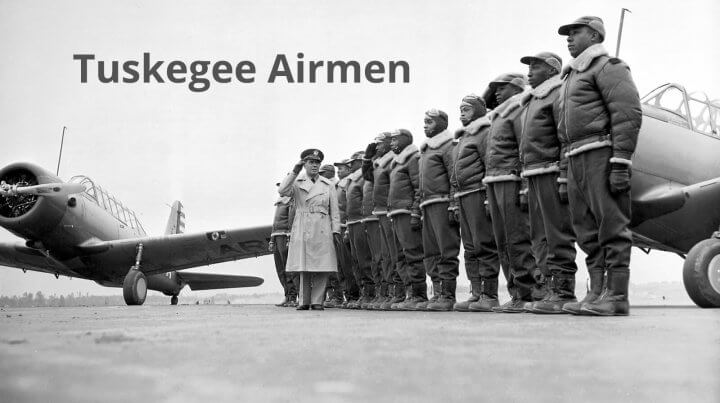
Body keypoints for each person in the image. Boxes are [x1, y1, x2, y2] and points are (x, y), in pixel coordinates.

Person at [557, 16, 642, 316]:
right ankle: (596, 292)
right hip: (575, 159)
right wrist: (564, 174)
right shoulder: (570, 79)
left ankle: (617, 296)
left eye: (575, 32)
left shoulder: (609, 67)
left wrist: (620, 163)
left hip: (600, 155)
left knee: (612, 224)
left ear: (594, 36)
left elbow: (627, 114)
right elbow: (563, 132)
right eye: (567, 34)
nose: (569, 38)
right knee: (586, 230)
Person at [518, 52, 579, 314]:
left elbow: (565, 137)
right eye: (529, 67)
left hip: (551, 171)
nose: (529, 71)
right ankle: (547, 289)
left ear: (552, 70)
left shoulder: (557, 94)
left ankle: (563, 291)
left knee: (558, 233)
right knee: (539, 236)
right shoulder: (532, 100)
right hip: (533, 173)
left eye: (536, 66)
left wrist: (564, 175)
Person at [482, 73, 538, 313]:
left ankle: (528, 293)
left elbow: (525, 148)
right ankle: (515, 293)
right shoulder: (498, 116)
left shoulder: (518, 110)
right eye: (494, 88)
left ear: (516, 88)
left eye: (501, 87)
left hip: (511, 179)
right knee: (503, 241)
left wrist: (524, 185)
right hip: (495, 180)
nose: (496, 92)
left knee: (517, 238)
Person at [451, 94, 501, 312]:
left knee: (484, 244)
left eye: (467, 109)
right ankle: (476, 292)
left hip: (477, 193)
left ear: (479, 110)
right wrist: (454, 201)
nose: (462, 113)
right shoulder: (463, 138)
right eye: (460, 109)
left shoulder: (484, 132)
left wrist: (489, 198)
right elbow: (455, 175)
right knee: (470, 247)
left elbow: (489, 164)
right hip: (463, 196)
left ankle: (490, 295)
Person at [278, 149, 341, 310]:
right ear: (304, 164)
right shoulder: (297, 182)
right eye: (311, 162)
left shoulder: (328, 184)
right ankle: (304, 301)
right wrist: (294, 171)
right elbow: (282, 190)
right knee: (303, 265)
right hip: (303, 224)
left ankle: (317, 301)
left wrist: (336, 230)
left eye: (317, 162)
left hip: (322, 226)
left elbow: (335, 210)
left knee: (323, 265)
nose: (314, 165)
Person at [419, 109, 461, 311]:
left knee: (446, 250)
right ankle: (437, 293)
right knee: (431, 252)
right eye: (424, 121)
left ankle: (447, 295)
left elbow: (454, 176)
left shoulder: (447, 146)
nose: (425, 125)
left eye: (430, 121)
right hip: (427, 204)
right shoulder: (426, 150)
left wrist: (453, 203)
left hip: (442, 203)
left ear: (442, 123)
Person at [387, 129, 428, 310]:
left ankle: (419, 295)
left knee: (413, 254)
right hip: (396, 213)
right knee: (400, 256)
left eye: (395, 140)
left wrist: (415, 212)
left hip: (406, 212)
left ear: (405, 140)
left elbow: (418, 187)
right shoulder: (397, 162)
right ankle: (410, 293)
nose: (392, 143)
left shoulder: (413, 159)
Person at [362, 133, 397, 310]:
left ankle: (395, 292)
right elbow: (368, 176)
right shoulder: (379, 162)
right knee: (384, 255)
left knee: (392, 253)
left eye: (380, 143)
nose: (377, 147)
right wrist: (367, 159)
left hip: (389, 210)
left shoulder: (393, 160)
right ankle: (387, 292)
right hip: (381, 211)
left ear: (389, 143)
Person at [344, 151, 375, 309]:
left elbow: (367, 199)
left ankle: (370, 293)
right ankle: (364, 293)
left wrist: (364, 219)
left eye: (353, 162)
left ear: (361, 162)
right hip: (352, 222)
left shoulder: (363, 177)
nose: (350, 165)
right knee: (356, 261)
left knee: (365, 260)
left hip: (361, 221)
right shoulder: (352, 179)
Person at [333, 157, 361, 308]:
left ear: (349, 169)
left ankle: (354, 296)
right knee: (342, 266)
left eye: (341, 168)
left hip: (345, 226)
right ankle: (348, 295)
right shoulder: (338, 185)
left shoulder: (347, 184)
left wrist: (347, 228)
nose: (338, 171)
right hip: (338, 227)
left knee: (349, 265)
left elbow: (350, 206)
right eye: (338, 169)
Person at [319, 164, 343, 307]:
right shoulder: (324, 187)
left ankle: (338, 296)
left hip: (334, 229)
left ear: (329, 173)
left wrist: (336, 230)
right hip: (324, 229)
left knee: (336, 264)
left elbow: (337, 211)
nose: (320, 175)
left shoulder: (335, 186)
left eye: (322, 173)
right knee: (326, 264)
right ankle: (331, 295)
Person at [269, 188, 299, 307]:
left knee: (288, 268)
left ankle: (293, 296)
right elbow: (274, 224)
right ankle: (287, 295)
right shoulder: (279, 202)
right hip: (277, 236)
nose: (279, 189)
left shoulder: (291, 201)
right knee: (280, 269)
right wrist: (272, 240)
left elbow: (291, 221)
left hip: (284, 235)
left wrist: (289, 237)